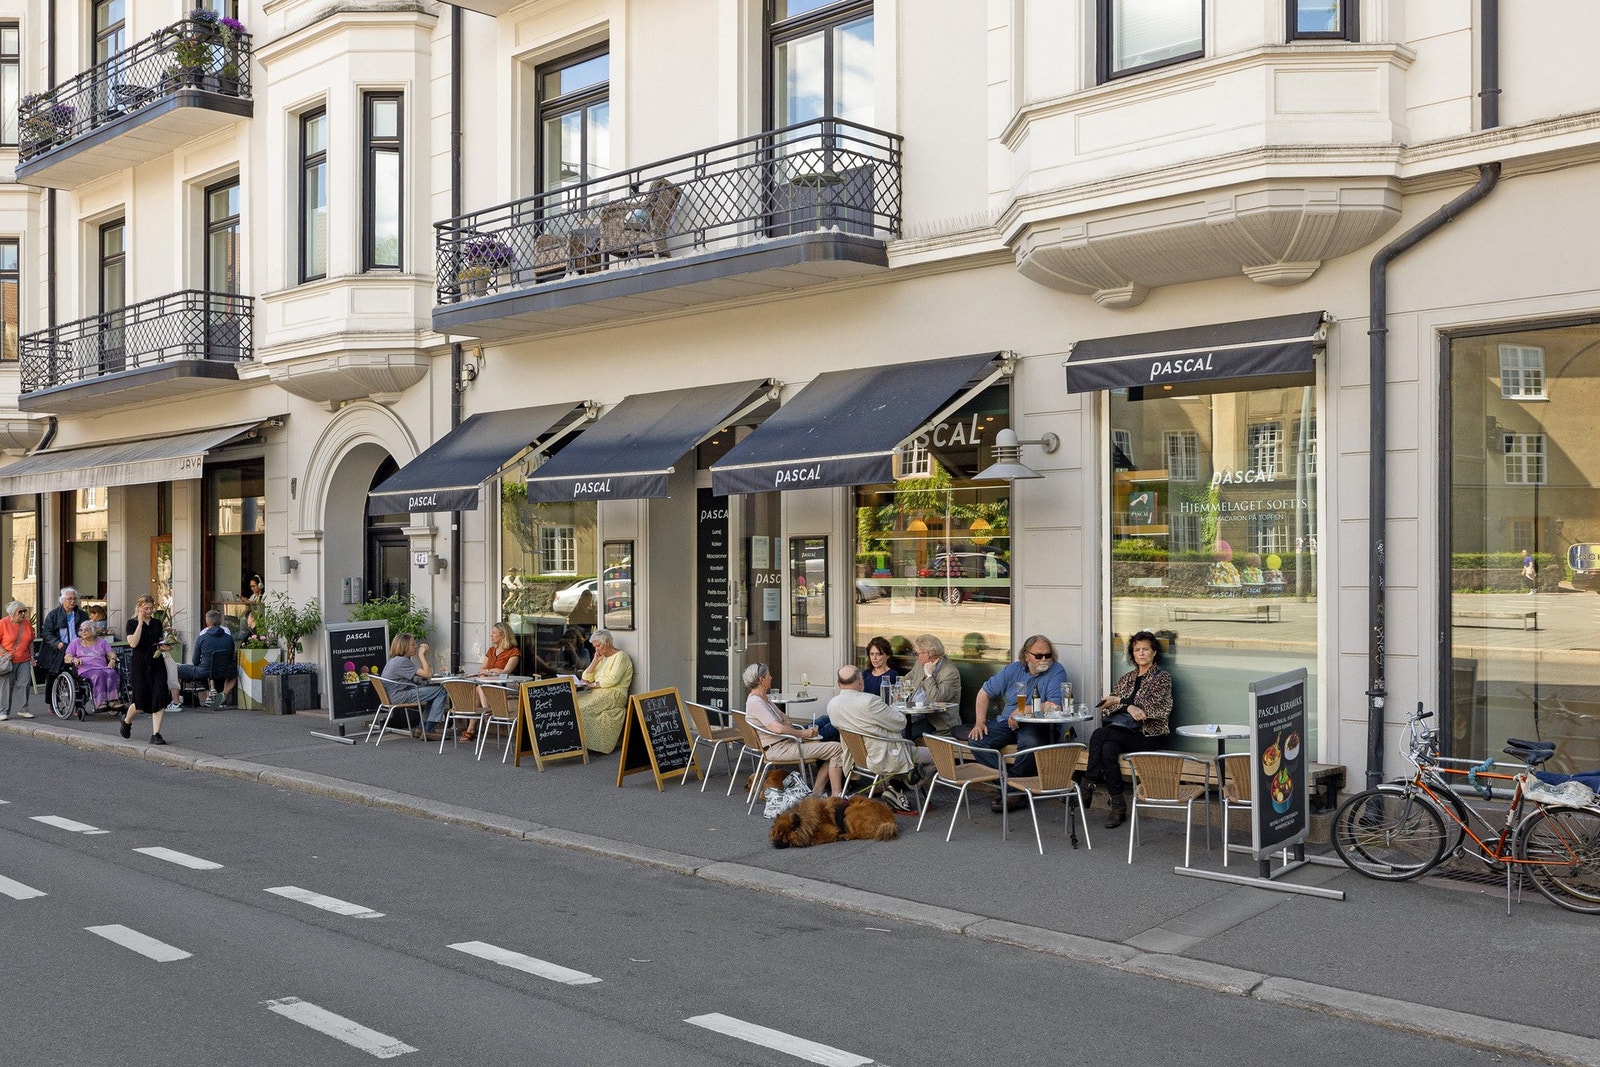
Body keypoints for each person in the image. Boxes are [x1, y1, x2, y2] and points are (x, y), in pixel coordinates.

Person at [961, 634, 1068, 804]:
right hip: (1007, 722)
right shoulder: (1013, 669)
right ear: (1026, 655)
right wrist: (979, 722)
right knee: (976, 739)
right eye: (1038, 656)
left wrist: (1023, 711)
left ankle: (1012, 791)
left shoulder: (1056, 670)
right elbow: (984, 693)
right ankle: (1014, 787)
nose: (1044, 660)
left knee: (1031, 743)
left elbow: (1055, 706)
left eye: (1048, 655)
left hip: (1039, 725)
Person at [1082, 630, 1173, 829]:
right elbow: (1107, 705)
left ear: (1154, 652)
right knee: (1108, 749)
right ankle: (1118, 805)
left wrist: (1123, 702)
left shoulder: (1161, 678)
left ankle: (1088, 783)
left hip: (1149, 734)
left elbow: (1149, 708)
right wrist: (1127, 705)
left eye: (1145, 649)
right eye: (1137, 649)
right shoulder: (1126, 678)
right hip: (1124, 732)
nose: (1141, 653)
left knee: (1099, 734)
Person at [743, 662, 845, 799]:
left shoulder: (763, 699)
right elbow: (777, 727)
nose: (771, 677)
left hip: (786, 742)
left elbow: (784, 717)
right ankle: (835, 796)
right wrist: (803, 733)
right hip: (779, 748)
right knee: (837, 749)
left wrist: (787, 724)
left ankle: (817, 793)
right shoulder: (756, 702)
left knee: (830, 738)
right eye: (768, 675)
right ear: (761, 680)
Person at [826, 664, 927, 793]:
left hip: (857, 758)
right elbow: (901, 723)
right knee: (935, 757)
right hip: (884, 756)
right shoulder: (870, 701)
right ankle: (897, 789)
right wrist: (898, 703)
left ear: (838, 683)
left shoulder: (832, 705)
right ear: (860, 681)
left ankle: (893, 787)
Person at [118, 594, 172, 745]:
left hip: (156, 661)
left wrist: (166, 646)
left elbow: (160, 641)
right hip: (140, 663)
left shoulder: (156, 623)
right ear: (139, 608)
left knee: (159, 696)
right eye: (146, 608)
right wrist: (140, 624)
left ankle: (156, 734)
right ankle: (127, 720)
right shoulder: (131, 623)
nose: (149, 611)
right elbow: (133, 644)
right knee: (140, 700)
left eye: (151, 608)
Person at [381, 633, 449, 741]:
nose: (416, 646)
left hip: (395, 694)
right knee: (441, 691)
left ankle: (421, 728)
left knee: (434, 691)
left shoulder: (394, 660)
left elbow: (424, 675)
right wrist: (422, 655)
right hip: (400, 695)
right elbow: (428, 674)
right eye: (412, 644)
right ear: (404, 647)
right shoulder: (402, 661)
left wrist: (424, 659)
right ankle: (429, 729)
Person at [575, 629, 633, 753]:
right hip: (598, 692)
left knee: (582, 708)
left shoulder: (620, 656)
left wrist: (593, 685)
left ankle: (591, 745)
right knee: (575, 703)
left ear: (607, 643)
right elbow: (585, 677)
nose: (596, 650)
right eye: (594, 647)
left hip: (614, 693)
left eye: (598, 646)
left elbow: (613, 680)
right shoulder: (602, 658)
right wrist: (595, 661)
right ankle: (581, 742)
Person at [462, 621, 521, 743]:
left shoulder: (513, 651)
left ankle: (474, 725)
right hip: (488, 684)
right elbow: (482, 669)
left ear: (503, 635)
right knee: (480, 686)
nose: (491, 635)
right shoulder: (491, 651)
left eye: (494, 633)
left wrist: (490, 671)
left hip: (505, 684)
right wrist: (491, 671)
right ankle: (485, 713)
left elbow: (506, 671)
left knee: (480, 687)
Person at [899, 633, 961, 738]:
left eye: (918, 653)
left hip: (935, 722)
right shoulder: (920, 665)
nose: (917, 656)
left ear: (928, 654)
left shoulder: (950, 673)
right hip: (913, 715)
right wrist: (899, 691)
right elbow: (905, 682)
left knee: (901, 735)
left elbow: (935, 699)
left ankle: (909, 754)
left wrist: (929, 676)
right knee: (887, 730)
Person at [39, 587, 88, 711]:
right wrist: (58, 644)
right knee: (54, 673)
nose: (72, 601)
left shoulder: (81, 614)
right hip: (58, 649)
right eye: (69, 599)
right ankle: (52, 703)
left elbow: (88, 629)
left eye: (74, 599)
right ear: (62, 600)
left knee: (80, 674)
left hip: (77, 648)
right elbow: (47, 633)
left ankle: (79, 704)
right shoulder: (54, 614)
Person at [179, 610, 237, 708]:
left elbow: (195, 661)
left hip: (205, 672)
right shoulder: (229, 638)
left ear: (207, 622)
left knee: (178, 669)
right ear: (220, 622)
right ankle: (224, 694)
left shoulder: (202, 638)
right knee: (234, 675)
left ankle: (177, 700)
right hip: (225, 671)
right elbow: (231, 658)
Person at [64, 619, 121, 711]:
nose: (83, 632)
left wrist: (113, 660)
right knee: (99, 675)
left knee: (112, 673)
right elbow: (67, 657)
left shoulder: (102, 642)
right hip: (86, 669)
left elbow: (111, 653)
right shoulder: (76, 642)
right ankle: (100, 702)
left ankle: (113, 700)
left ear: (93, 630)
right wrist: (74, 659)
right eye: (81, 630)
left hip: (102, 667)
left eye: (86, 629)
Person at [0, 601, 35, 721]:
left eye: (24, 611)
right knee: (6, 687)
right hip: (8, 661)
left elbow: (30, 640)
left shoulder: (27, 623)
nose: (23, 614)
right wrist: (5, 653)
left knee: (24, 683)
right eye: (20, 612)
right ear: (12, 613)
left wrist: (32, 657)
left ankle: (23, 709)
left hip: (24, 658)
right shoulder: (3, 623)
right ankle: (3, 711)